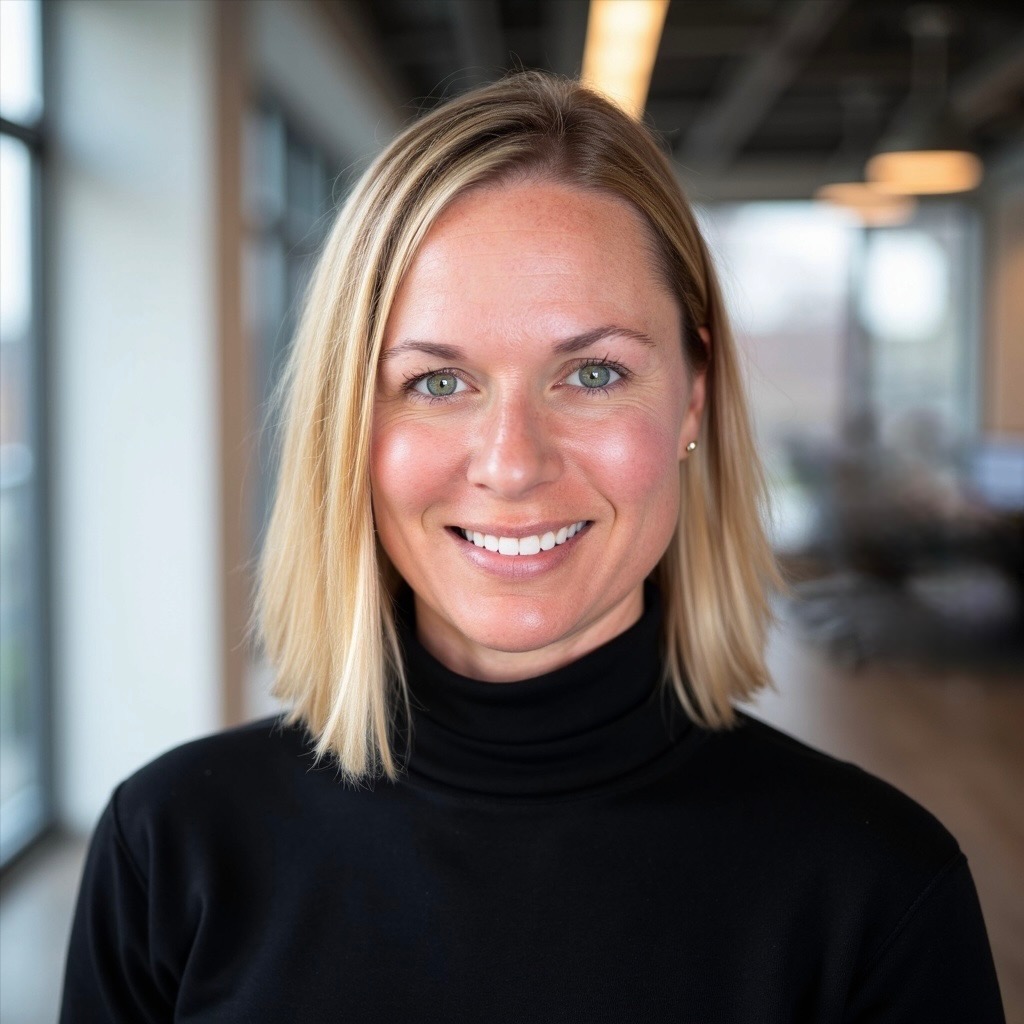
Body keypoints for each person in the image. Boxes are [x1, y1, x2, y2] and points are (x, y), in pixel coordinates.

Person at [59, 72, 1005, 1023]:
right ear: (347, 420)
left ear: (693, 394)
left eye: (592, 373)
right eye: (436, 382)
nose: (512, 465)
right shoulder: (169, 848)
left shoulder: (882, 890)